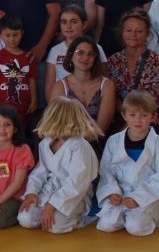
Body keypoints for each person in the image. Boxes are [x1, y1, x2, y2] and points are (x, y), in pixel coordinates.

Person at [17, 97, 101, 233]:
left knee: (54, 225)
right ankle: (48, 210)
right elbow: (39, 172)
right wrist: (31, 192)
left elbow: (77, 184)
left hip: (73, 195)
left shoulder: (79, 146)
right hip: (50, 188)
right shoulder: (46, 143)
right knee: (25, 218)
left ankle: (79, 218)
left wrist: (51, 206)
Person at [96, 91, 159, 236]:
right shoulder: (113, 141)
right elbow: (106, 171)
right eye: (132, 115)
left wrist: (138, 198)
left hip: (146, 196)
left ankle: (154, 214)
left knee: (136, 228)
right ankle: (124, 214)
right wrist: (112, 192)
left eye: (144, 115)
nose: (138, 120)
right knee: (107, 225)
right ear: (124, 115)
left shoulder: (157, 143)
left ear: (153, 116)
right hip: (121, 195)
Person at [107, 9, 159, 132]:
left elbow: (152, 100)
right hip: (119, 117)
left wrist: (127, 128)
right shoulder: (113, 60)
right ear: (122, 32)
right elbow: (109, 97)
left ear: (147, 34)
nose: (133, 35)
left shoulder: (156, 61)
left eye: (139, 31)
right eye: (129, 30)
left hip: (146, 119)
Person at [50, 36, 115, 136]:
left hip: (97, 141)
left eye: (91, 54)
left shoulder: (107, 85)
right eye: (80, 52)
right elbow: (56, 125)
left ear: (95, 58)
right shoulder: (59, 86)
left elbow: (101, 130)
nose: (85, 58)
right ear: (71, 55)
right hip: (66, 141)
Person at [45, 5, 108, 98]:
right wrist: (53, 106)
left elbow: (103, 80)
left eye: (74, 22)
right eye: (64, 22)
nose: (68, 26)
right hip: (62, 100)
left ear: (84, 24)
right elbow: (50, 86)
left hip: (90, 99)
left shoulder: (97, 48)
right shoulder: (55, 51)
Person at [0, 16, 38, 127]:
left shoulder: (28, 57)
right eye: (7, 35)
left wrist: (34, 101)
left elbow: (32, 80)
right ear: (0, 35)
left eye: (15, 35)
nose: (12, 39)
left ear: (22, 33)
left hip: (24, 108)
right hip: (3, 108)